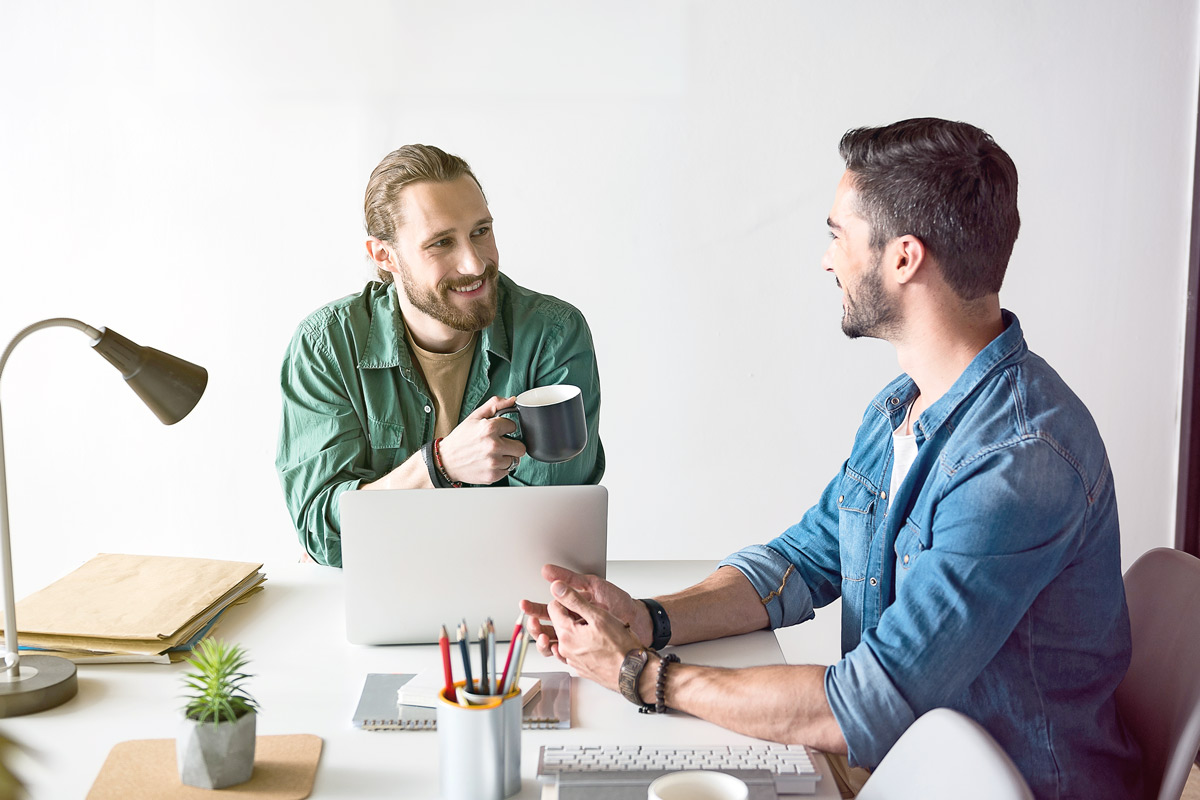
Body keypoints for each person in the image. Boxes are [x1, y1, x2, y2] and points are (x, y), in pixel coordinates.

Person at [522, 118, 1141, 799]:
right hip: (907, 774)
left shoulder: (1018, 467)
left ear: (905, 258)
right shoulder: (899, 408)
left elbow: (862, 704)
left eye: (837, 235)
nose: (827, 260)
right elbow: (803, 561)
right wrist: (646, 619)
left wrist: (640, 673)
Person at [276, 144, 604, 567]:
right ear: (384, 255)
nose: (474, 263)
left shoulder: (553, 335)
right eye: (441, 243)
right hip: (377, 596)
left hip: (511, 598)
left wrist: (378, 511)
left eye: (481, 231)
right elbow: (325, 534)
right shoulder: (325, 347)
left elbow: (548, 535)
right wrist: (439, 465)